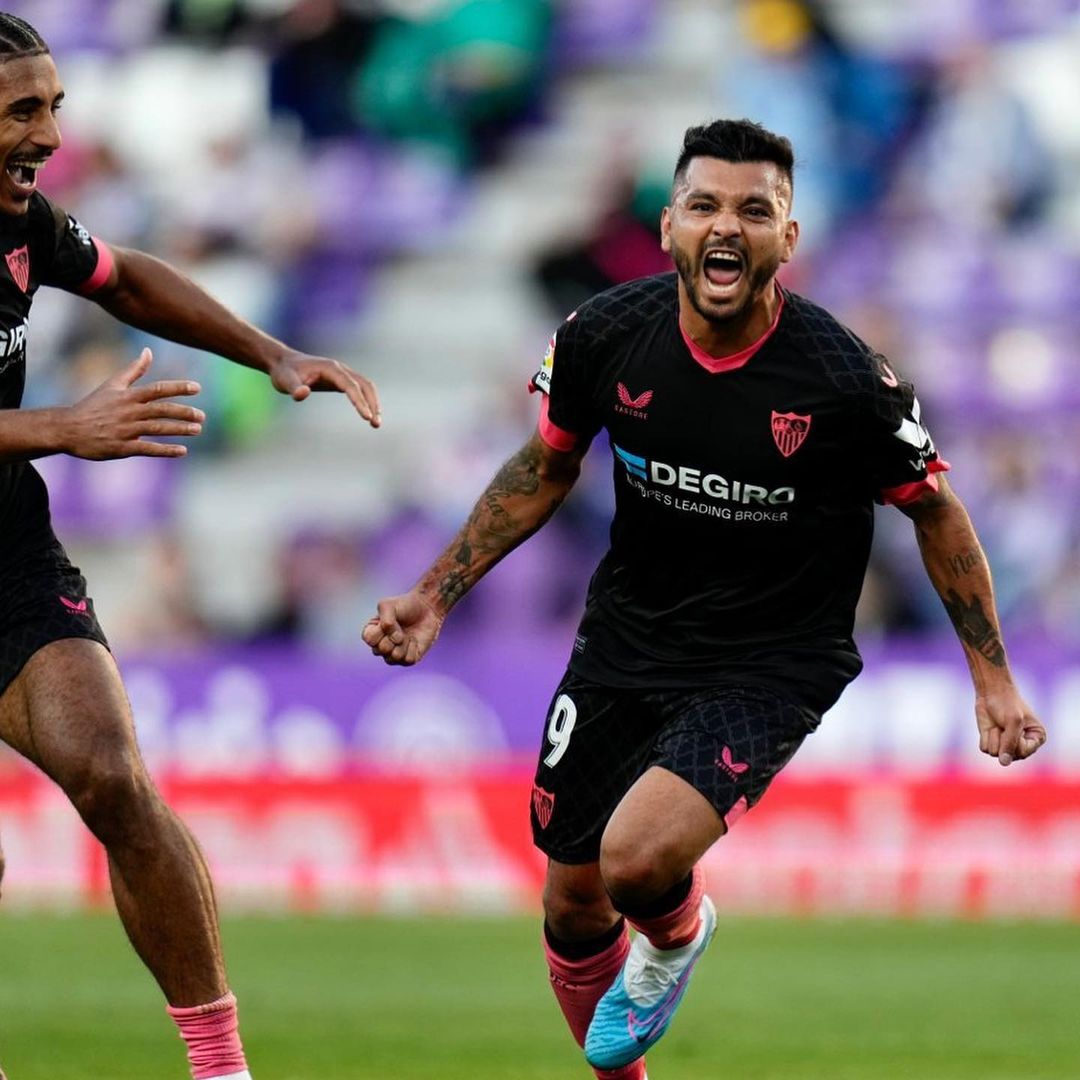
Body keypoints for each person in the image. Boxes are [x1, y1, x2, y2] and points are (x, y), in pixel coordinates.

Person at [362, 116, 1047, 1078]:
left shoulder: (845, 380)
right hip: (625, 642)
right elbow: (544, 466)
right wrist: (436, 592)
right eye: (705, 206)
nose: (728, 227)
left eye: (755, 210)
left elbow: (937, 513)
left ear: (787, 238)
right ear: (671, 226)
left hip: (771, 661)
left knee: (635, 861)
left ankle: (678, 935)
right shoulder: (604, 336)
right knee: (570, 900)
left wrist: (995, 679)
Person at [0, 14, 379, 1080]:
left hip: (6, 556)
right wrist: (63, 429)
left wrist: (271, 353)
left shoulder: (24, 225)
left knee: (112, 776)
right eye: (21, 112)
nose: (47, 135)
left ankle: (221, 1067)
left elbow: (124, 278)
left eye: (53, 109)